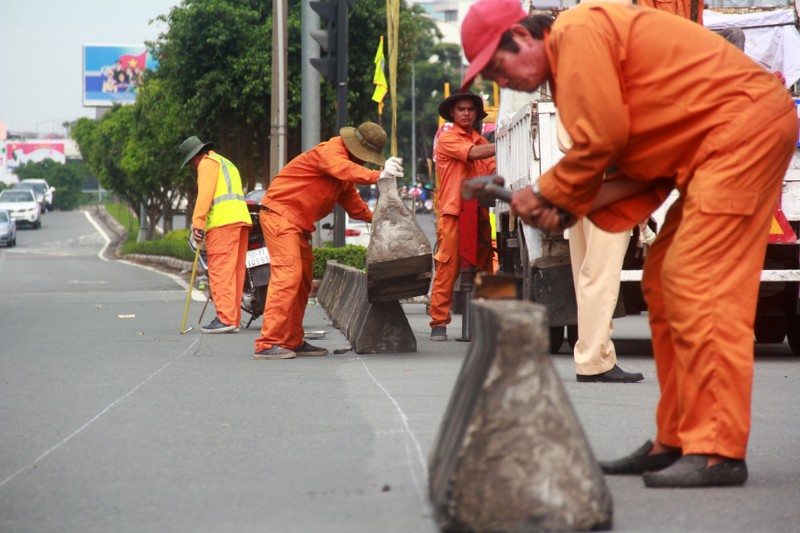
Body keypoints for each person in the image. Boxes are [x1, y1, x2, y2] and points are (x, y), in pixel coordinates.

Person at [459, 0, 798, 487]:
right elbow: (626, 165)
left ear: (524, 36)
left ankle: (718, 449)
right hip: (715, 142)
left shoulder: (576, 32)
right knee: (663, 278)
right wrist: (566, 203)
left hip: (743, 128)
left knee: (696, 281)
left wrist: (549, 193)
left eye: (498, 65)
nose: (501, 80)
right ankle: (678, 438)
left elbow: (602, 140)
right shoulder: (572, 66)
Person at [253, 122, 403, 360]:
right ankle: (268, 342)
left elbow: (356, 208)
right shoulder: (330, 152)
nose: (365, 161)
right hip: (281, 217)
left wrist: (385, 218)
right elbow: (342, 168)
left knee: (301, 284)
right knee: (288, 277)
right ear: (355, 148)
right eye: (365, 157)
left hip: (297, 224)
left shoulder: (343, 175)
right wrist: (378, 175)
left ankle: (291, 340)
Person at [429, 92, 496, 342]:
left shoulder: (481, 141)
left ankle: (485, 322)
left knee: (485, 269)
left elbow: (493, 170)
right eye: (461, 109)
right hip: (453, 213)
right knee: (448, 268)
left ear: (477, 114)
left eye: (470, 109)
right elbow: (474, 155)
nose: (466, 113)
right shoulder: (447, 138)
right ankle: (438, 322)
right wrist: (506, 143)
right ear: (453, 114)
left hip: (479, 214)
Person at [179, 136, 252, 334]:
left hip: (222, 224)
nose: (192, 167)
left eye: (190, 163)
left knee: (220, 271)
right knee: (235, 273)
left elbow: (205, 195)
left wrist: (198, 223)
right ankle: (232, 318)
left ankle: (225, 318)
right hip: (240, 221)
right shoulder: (226, 162)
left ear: (194, 157)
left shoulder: (206, 164)